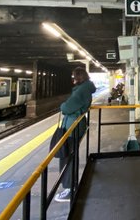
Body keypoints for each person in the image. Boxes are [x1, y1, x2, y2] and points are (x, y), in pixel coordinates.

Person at [55, 67, 96, 202]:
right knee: (70, 155)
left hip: (73, 127)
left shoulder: (82, 90)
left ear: (79, 77)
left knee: (68, 157)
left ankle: (70, 188)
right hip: (75, 126)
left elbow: (67, 108)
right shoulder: (85, 88)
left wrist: (62, 106)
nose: (73, 79)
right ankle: (70, 186)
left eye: (74, 77)